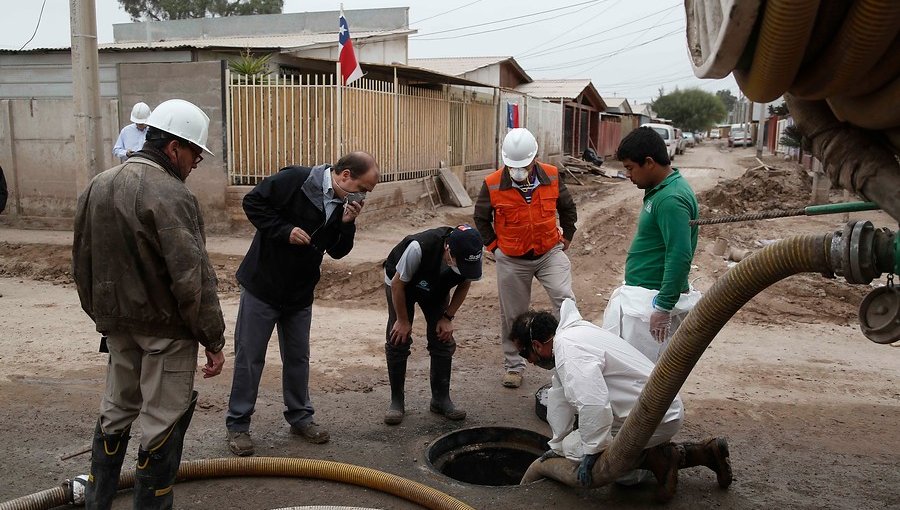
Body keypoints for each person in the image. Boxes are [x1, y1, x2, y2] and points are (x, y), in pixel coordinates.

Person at [72, 99, 226, 509]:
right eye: (195, 153)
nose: (196, 163)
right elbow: (192, 277)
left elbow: (80, 261)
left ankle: (98, 502)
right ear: (174, 148)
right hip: (166, 334)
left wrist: (104, 317)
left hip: (118, 328)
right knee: (162, 424)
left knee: (115, 412)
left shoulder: (98, 184)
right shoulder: (172, 195)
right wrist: (212, 338)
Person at [225, 151, 380, 456]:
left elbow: (338, 252)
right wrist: (284, 231)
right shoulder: (295, 180)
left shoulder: (345, 204)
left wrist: (347, 224)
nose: (362, 196)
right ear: (344, 175)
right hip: (263, 286)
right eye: (362, 188)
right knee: (250, 357)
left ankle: (300, 417)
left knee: (298, 358)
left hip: (299, 293)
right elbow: (252, 202)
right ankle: (238, 425)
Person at [512, 299, 732, 502]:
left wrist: (591, 452)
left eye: (524, 355)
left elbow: (594, 404)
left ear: (537, 345)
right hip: (656, 409)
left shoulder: (570, 351)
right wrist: (557, 445)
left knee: (583, 451)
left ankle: (665, 458)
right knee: (619, 473)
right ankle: (703, 452)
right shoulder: (572, 336)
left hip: (652, 415)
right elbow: (559, 398)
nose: (529, 362)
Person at [473, 127, 577, 389]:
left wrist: (568, 237)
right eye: (512, 165)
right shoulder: (493, 183)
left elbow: (567, 207)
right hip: (511, 257)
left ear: (534, 158)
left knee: (565, 302)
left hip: (548, 251)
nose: (518, 170)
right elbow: (481, 218)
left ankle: (571, 358)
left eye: (524, 165)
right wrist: (494, 246)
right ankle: (514, 366)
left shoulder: (552, 176)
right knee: (514, 315)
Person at [602, 126, 701, 363]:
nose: (627, 175)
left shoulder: (670, 199)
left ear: (648, 162)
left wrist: (664, 308)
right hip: (643, 296)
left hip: (651, 303)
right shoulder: (661, 190)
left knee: (643, 378)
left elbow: (679, 255)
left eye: (629, 168)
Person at [382, 224, 483, 425]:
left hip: (436, 287)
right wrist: (403, 320)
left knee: (443, 338)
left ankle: (440, 399)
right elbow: (397, 285)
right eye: (458, 264)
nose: (462, 270)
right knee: (398, 338)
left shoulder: (470, 253)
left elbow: (464, 284)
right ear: (448, 250)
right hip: (402, 284)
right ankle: (397, 402)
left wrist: (448, 317)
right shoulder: (419, 248)